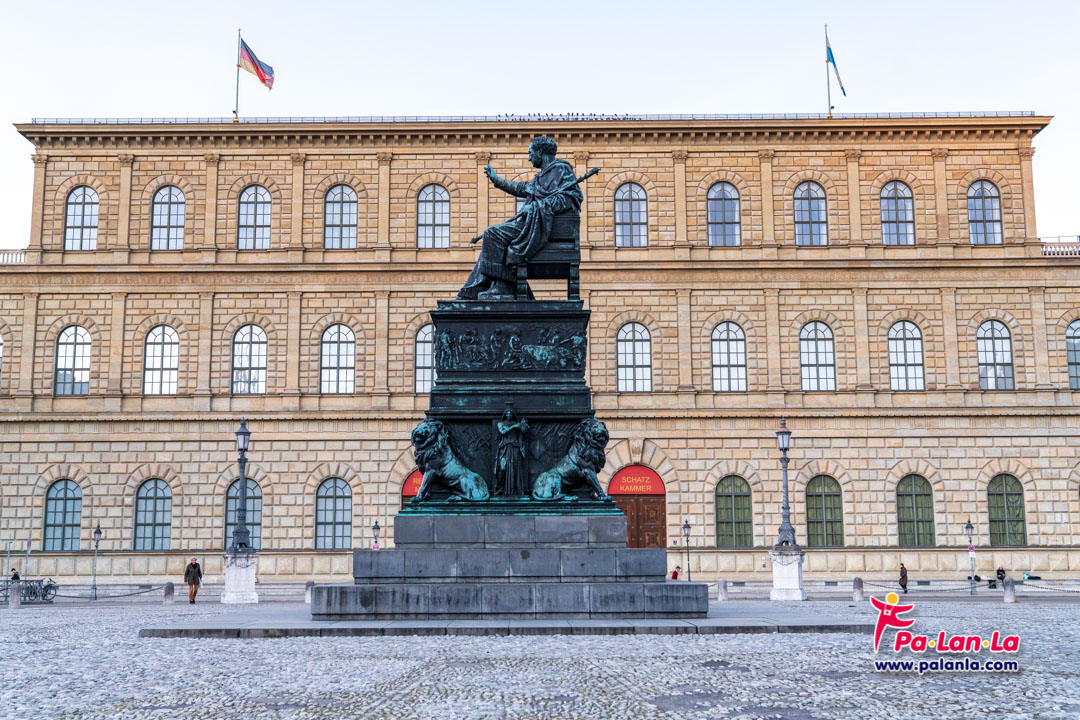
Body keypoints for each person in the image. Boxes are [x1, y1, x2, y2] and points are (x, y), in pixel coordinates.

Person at [457, 135, 584, 300]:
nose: (530, 158)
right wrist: (497, 180)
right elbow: (521, 188)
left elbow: (570, 198)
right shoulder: (541, 176)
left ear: (540, 152)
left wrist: (535, 207)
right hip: (533, 224)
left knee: (493, 234)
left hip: (544, 229)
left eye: (531, 153)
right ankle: (477, 288)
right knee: (492, 237)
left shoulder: (561, 170)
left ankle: (503, 287)